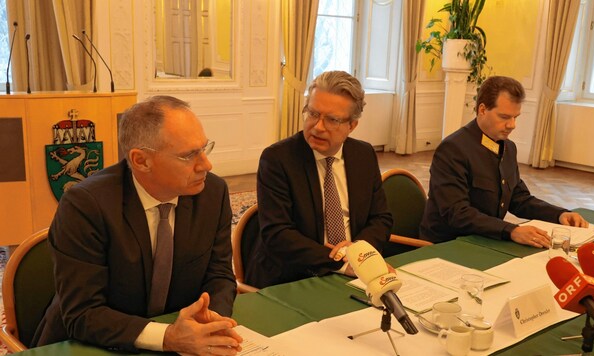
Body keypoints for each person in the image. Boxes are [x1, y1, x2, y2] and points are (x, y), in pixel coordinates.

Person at [33, 96, 243, 355]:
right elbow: (83, 313)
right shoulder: (86, 205)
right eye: (189, 155)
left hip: (181, 338)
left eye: (204, 148)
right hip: (88, 344)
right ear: (141, 160)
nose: (206, 165)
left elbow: (219, 274)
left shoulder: (212, 193)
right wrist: (168, 337)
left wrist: (210, 321)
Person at [245, 71, 393, 288]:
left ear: (352, 125)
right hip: (292, 278)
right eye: (313, 114)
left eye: (332, 119)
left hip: (355, 273)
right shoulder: (278, 159)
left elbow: (381, 218)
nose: (318, 127)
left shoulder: (364, 155)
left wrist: (358, 251)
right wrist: (341, 260)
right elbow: (278, 234)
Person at [420, 76, 588, 247]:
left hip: (486, 239)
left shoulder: (508, 148)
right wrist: (511, 230)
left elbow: (519, 199)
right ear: (482, 110)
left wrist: (559, 215)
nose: (512, 125)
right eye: (505, 117)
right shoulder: (453, 149)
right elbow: (457, 213)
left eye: (516, 117)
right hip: (448, 245)